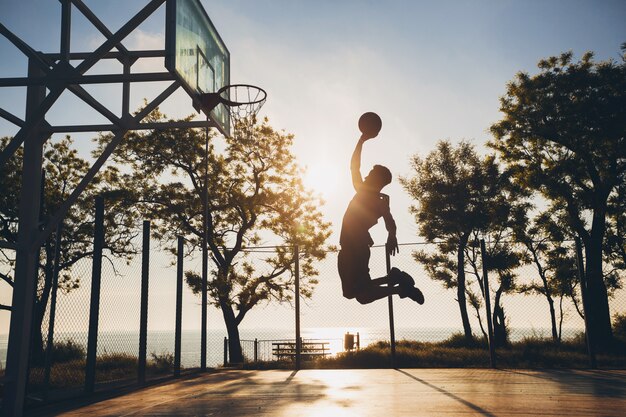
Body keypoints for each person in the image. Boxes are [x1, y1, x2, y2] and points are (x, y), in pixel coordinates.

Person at [338, 132, 424, 305]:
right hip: (353, 246)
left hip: (356, 247)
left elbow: (354, 167)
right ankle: (395, 280)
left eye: (371, 174)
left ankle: (397, 284)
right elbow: (389, 220)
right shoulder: (378, 199)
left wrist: (362, 140)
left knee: (355, 293)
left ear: (377, 180)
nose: (367, 175)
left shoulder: (370, 197)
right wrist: (392, 235)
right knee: (358, 293)